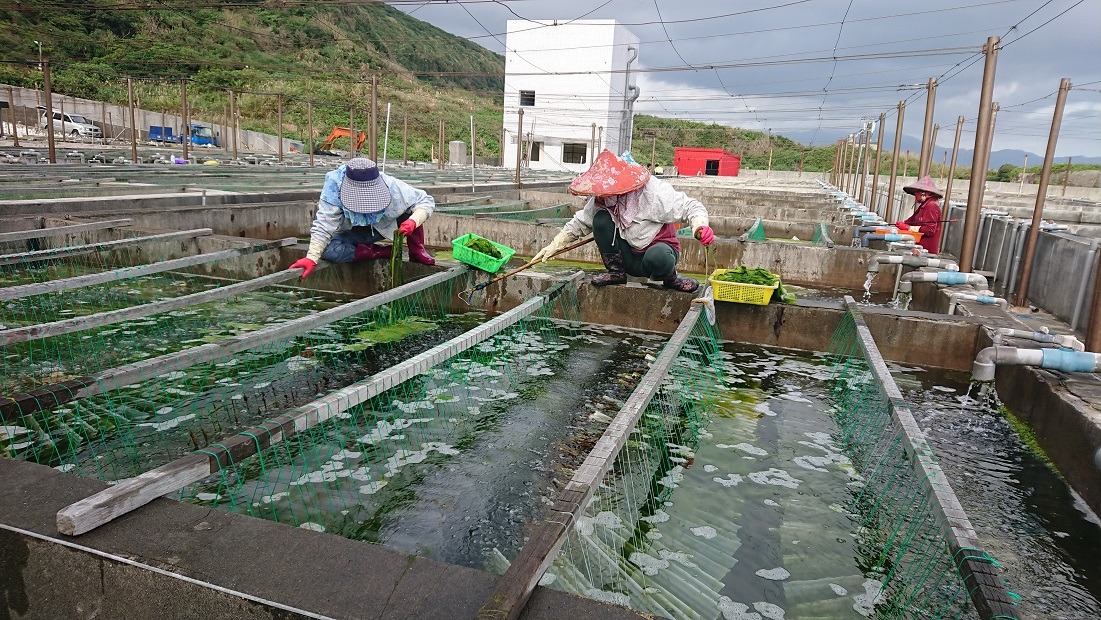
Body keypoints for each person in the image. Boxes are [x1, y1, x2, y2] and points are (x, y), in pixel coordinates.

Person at [532, 150, 714, 293]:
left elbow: (692, 206)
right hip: (627, 256)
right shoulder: (604, 199)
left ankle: (671, 278)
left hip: (654, 256)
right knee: (601, 220)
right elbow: (580, 222)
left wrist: (700, 226)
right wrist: (554, 245)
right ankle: (616, 273)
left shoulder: (653, 193)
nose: (603, 195)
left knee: (659, 256)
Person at [289, 157, 435, 278]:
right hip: (353, 230)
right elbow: (324, 224)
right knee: (329, 250)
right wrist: (311, 257)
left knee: (412, 211)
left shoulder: (391, 185)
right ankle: (376, 251)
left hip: (384, 224)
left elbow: (425, 200)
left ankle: (417, 251)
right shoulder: (334, 188)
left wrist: (412, 221)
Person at [895, 175, 943, 254]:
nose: (915, 195)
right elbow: (911, 221)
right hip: (918, 248)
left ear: (925, 193)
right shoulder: (924, 206)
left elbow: (929, 230)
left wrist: (908, 228)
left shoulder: (931, 206)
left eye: (917, 192)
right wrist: (902, 224)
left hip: (926, 251)